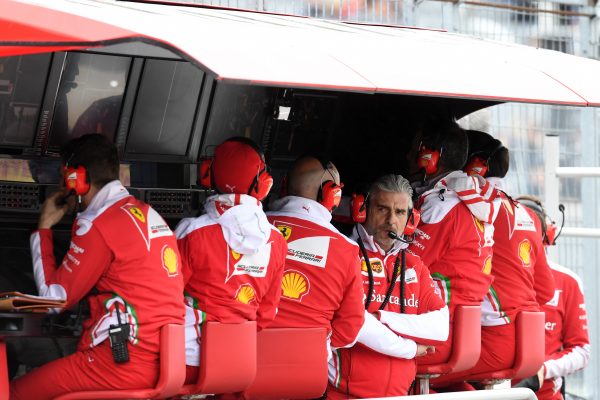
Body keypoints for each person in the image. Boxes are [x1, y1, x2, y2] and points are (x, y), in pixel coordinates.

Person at [10, 134, 185, 400]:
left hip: (120, 363)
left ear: (76, 180)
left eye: (63, 177)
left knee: (15, 392)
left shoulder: (97, 224)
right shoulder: (149, 213)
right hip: (165, 360)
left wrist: (43, 228)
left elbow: (53, 301)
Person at [432, 130, 555, 386]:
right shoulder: (529, 216)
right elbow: (545, 291)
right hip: (526, 345)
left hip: (485, 339)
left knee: (395, 368)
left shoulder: (463, 209)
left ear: (476, 168)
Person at [175, 137, 287, 384]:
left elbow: (164, 297)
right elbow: (267, 313)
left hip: (185, 362)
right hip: (238, 363)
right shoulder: (277, 241)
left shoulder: (191, 231)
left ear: (207, 174)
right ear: (264, 184)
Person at [327, 174, 448, 398]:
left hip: (399, 394)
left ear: (411, 219)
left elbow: (440, 328)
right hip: (341, 394)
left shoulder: (414, 265)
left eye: (400, 212)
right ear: (362, 209)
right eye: (383, 209)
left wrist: (380, 317)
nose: (391, 220)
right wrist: (410, 345)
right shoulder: (344, 254)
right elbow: (355, 325)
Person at [407, 119, 499, 366]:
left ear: (430, 156)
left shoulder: (442, 207)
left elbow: (404, 268)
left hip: (435, 335)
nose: (410, 154)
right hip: (460, 331)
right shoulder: (471, 199)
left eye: (416, 148)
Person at [266, 156, 365, 379]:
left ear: (283, 186)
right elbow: (350, 330)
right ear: (331, 194)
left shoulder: (254, 226)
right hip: (304, 374)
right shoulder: (347, 249)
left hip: (242, 368)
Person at [516, 196, 590, 400]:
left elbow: (582, 351)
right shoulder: (486, 275)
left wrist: (544, 369)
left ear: (546, 236)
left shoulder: (568, 282)